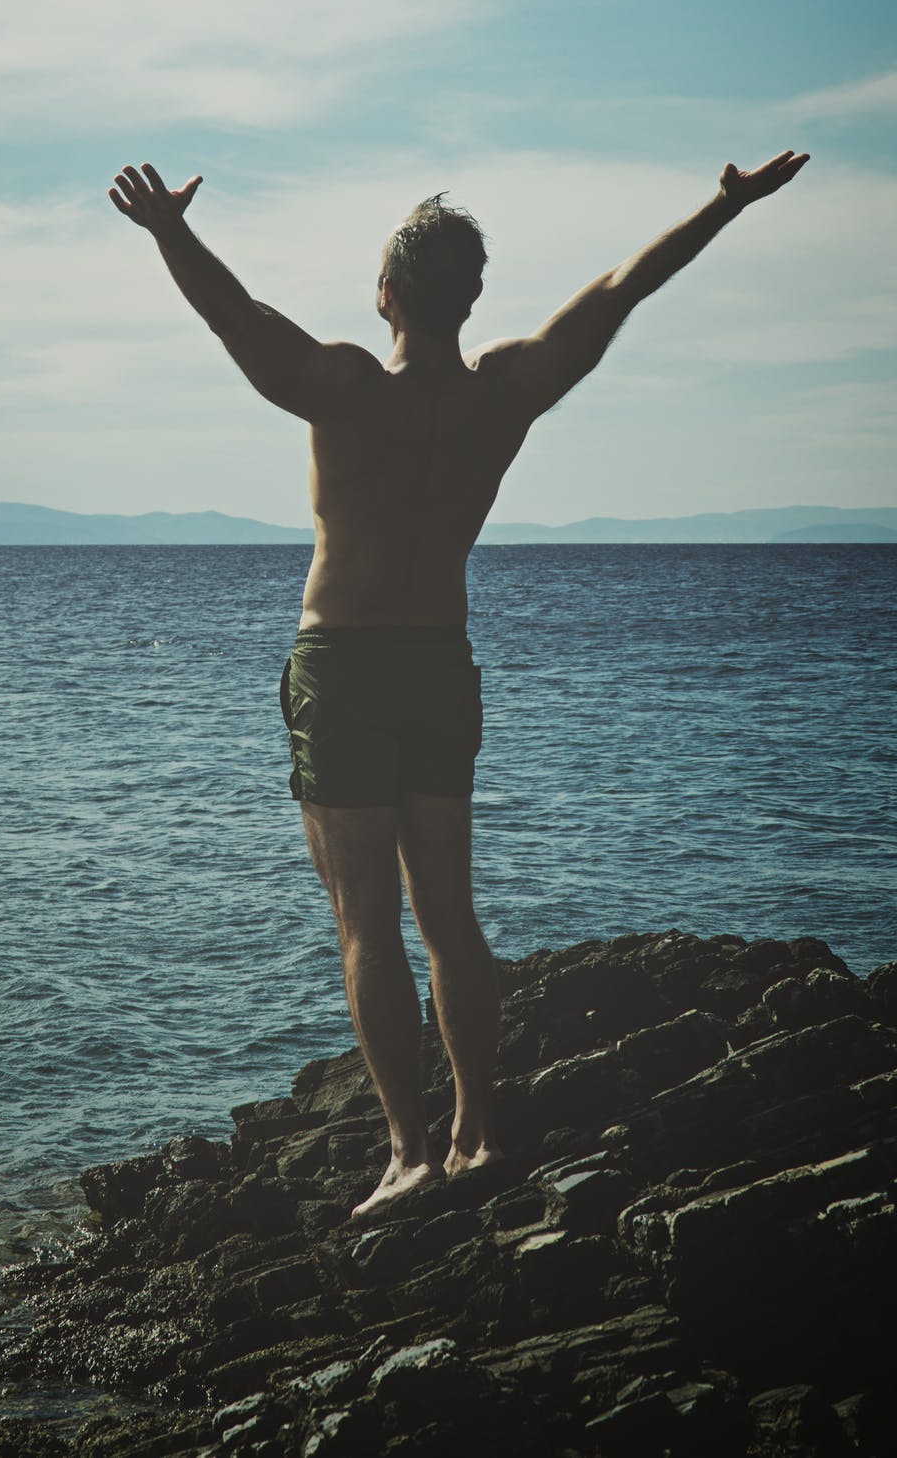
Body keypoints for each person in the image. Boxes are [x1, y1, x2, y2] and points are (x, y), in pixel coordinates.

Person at [108, 149, 809, 1216]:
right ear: (471, 297)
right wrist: (724, 204)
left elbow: (236, 318)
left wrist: (169, 232)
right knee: (451, 920)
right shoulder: (510, 392)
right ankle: (480, 1133)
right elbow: (624, 290)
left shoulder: (343, 386)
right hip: (440, 662)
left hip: (342, 665)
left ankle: (409, 1153)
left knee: (365, 925)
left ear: (385, 292)